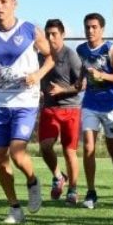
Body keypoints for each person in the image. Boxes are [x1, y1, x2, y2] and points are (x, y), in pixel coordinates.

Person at [0, 0, 53, 224]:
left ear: (14, 4)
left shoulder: (30, 30)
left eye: (4, 1)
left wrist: (37, 75)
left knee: (17, 153)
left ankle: (32, 180)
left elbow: (50, 57)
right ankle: (15, 208)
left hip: (26, 101)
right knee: (0, 157)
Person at [76, 12, 113, 209]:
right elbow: (84, 69)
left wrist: (103, 76)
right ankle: (91, 192)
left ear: (102, 29)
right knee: (88, 148)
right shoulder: (81, 49)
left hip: (111, 106)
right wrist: (80, 80)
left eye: (94, 27)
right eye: (87, 27)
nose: (90, 31)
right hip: (90, 103)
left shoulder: (110, 49)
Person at [38, 18, 83, 206]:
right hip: (49, 109)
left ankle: (73, 189)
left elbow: (82, 85)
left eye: (54, 34)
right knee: (45, 146)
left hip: (70, 108)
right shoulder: (41, 56)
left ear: (63, 35)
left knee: (69, 151)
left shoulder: (70, 56)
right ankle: (58, 176)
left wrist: (63, 90)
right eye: (47, 34)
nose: (50, 38)